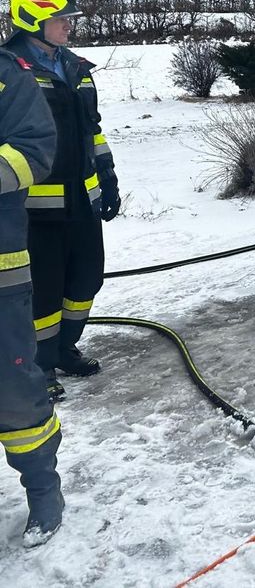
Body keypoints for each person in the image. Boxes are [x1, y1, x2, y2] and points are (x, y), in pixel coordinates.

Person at [4, 0, 121, 402]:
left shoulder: (75, 66)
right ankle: (41, 364)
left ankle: (66, 347)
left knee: (86, 279)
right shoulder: (9, 71)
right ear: (33, 19)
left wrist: (106, 176)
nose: (69, 25)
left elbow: (93, 131)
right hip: (35, 211)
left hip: (82, 202)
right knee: (44, 292)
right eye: (62, 18)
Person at [0, 45, 64, 546]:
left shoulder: (9, 78)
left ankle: (43, 491)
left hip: (1, 273)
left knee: (15, 388)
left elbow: (34, 149)